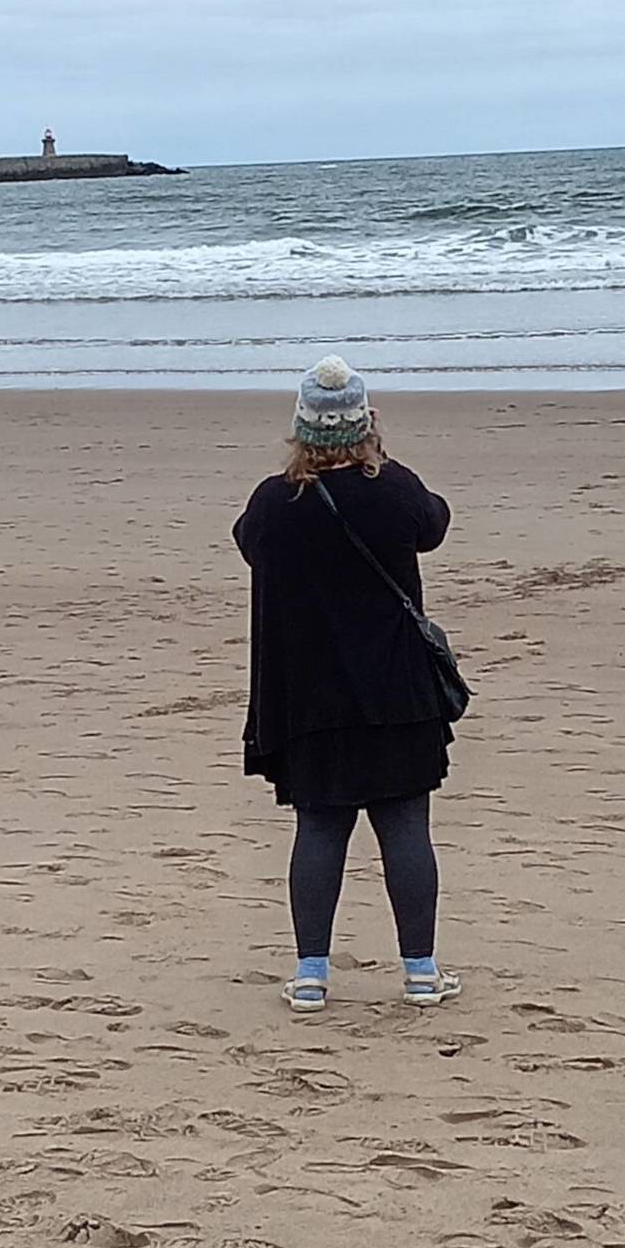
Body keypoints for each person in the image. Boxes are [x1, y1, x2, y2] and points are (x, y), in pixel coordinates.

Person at [233, 356, 461, 1013]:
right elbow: (434, 523)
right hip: (397, 695)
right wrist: (377, 455)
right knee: (405, 825)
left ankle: (311, 973)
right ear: (365, 423)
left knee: (321, 827)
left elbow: (247, 540)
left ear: (302, 430)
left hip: (309, 698)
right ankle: (420, 970)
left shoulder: (274, 503)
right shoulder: (393, 490)